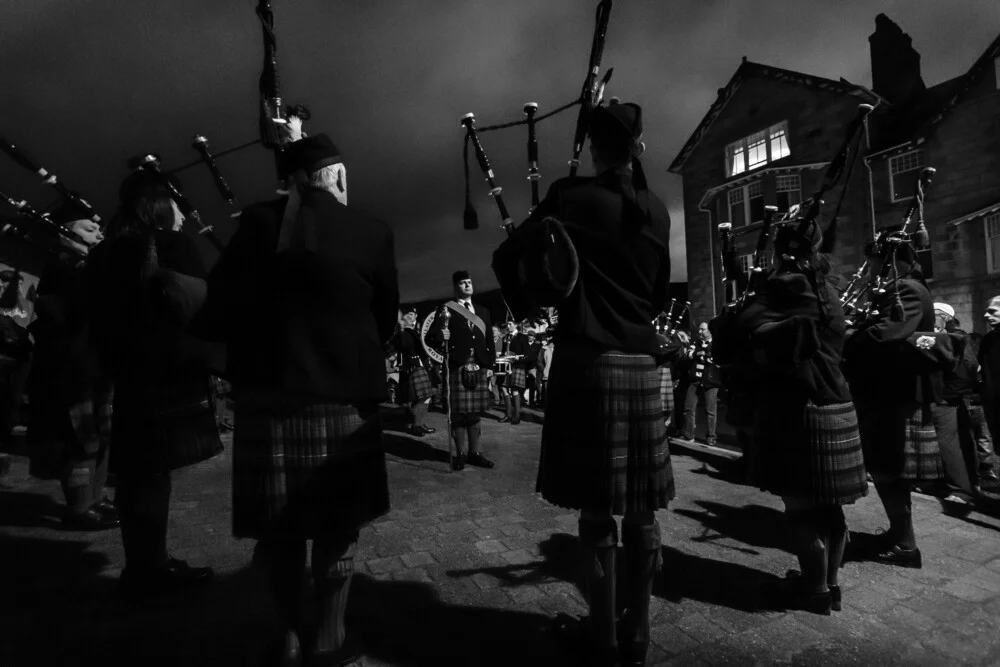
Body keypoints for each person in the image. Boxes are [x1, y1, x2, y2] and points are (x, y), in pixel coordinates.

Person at [204, 133, 398, 665]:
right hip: (342, 395)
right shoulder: (372, 230)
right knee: (337, 528)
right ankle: (330, 641)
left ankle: (291, 637)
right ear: (333, 175)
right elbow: (383, 321)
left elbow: (219, 306)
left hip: (269, 398)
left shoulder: (256, 225)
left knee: (284, 532)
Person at [531, 99, 672, 667]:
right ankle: (637, 634)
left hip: (588, 366)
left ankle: (603, 638)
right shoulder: (657, 212)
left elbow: (526, 268)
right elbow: (659, 295)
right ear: (638, 147)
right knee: (642, 511)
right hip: (641, 365)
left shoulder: (571, 198)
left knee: (595, 512)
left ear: (594, 148)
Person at [86, 169, 222, 598]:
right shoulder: (172, 245)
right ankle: (149, 572)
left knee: (135, 475)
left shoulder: (103, 254)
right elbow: (202, 306)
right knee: (152, 475)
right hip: (166, 374)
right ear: (159, 207)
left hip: (124, 375)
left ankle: (144, 562)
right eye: (175, 204)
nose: (180, 213)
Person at [726, 220, 868, 614]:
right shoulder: (828, 289)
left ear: (783, 252)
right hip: (836, 400)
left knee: (802, 508)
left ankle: (815, 591)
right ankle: (830, 586)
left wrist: (761, 284)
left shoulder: (786, 287)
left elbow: (743, 325)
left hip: (797, 407)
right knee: (830, 507)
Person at [843, 229, 943, 569]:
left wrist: (848, 334)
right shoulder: (900, 287)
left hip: (895, 394)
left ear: (891, 261)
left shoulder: (906, 288)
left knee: (890, 471)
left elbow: (887, 333)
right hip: (890, 392)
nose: (870, 269)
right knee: (888, 471)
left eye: (875, 262)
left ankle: (905, 544)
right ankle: (900, 535)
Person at [26, 216, 119, 530]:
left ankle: (95, 496)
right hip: (74, 368)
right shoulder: (62, 269)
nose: (98, 233)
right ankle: (80, 506)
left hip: (94, 363)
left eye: (98, 228)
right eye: (88, 229)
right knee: (81, 439)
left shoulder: (86, 268)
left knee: (101, 434)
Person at [428, 271, 495, 470]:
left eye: (469, 282)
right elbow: (430, 338)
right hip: (457, 364)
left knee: (474, 413)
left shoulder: (483, 312)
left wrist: (489, 365)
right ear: (455, 286)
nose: (467, 285)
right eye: (463, 283)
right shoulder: (446, 309)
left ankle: (475, 453)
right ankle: (460, 454)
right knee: (458, 414)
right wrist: (441, 335)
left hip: (480, 364)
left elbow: (490, 341)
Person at [394, 305, 436, 437]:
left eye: (414, 315)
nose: (413, 317)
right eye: (410, 314)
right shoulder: (402, 332)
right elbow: (404, 347)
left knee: (426, 396)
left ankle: (420, 422)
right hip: (413, 366)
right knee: (422, 397)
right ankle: (415, 425)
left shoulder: (414, 332)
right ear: (403, 317)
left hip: (421, 366)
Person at [678, 322, 721, 447]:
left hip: (711, 381)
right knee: (688, 407)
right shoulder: (696, 343)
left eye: (703, 329)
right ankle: (688, 434)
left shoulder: (717, 344)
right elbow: (688, 355)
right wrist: (698, 353)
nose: (700, 332)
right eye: (699, 330)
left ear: (710, 331)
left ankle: (711, 437)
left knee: (711, 411)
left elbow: (718, 359)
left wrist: (708, 357)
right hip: (695, 379)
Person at [508, 319, 540, 424]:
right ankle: (511, 414)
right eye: (507, 324)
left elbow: (527, 354)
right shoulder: (507, 337)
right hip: (507, 365)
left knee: (516, 391)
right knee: (508, 390)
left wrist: (519, 358)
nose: (508, 326)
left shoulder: (522, 337)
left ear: (516, 325)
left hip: (518, 366)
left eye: (510, 324)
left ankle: (516, 416)